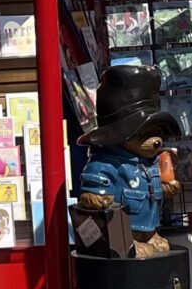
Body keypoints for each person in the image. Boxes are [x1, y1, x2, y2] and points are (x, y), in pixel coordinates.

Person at [76, 66, 182, 258]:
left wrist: (165, 187)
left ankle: (149, 235)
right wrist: (95, 196)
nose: (156, 141)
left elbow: (153, 190)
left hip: (149, 224)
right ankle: (129, 239)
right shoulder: (109, 163)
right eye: (144, 134)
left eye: (157, 132)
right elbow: (94, 188)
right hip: (122, 233)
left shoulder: (151, 162)